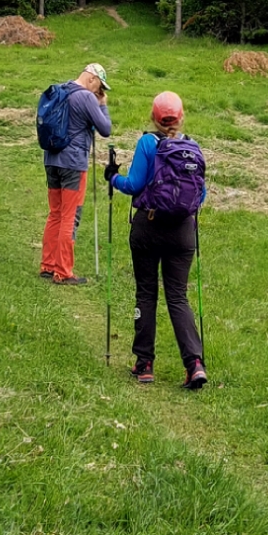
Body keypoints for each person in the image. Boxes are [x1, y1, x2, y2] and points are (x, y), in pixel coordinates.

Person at [110, 89, 210, 387]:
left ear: (154, 117)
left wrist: (112, 177)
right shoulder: (193, 147)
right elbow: (200, 193)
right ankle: (194, 364)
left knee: (147, 293)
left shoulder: (147, 142)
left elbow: (134, 185)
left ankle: (144, 365)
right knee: (178, 296)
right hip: (182, 231)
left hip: (149, 227)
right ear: (181, 117)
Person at [34, 60, 110, 283]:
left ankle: (48, 266)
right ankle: (63, 271)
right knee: (70, 216)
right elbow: (105, 129)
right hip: (73, 163)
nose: (99, 91)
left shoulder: (61, 90)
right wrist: (103, 104)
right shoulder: (85, 97)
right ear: (92, 78)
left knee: (55, 213)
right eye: (100, 86)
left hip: (51, 159)